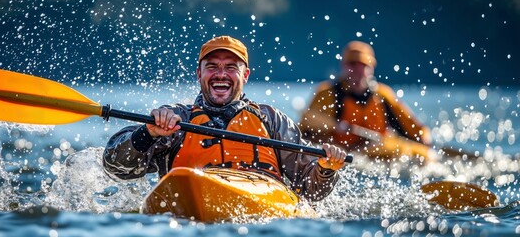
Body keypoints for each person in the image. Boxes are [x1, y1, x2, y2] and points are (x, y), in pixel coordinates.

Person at [102, 36, 348, 201]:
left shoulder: (272, 120)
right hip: (188, 215)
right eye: (212, 66)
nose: (221, 74)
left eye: (231, 67)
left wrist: (326, 169)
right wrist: (147, 133)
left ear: (246, 75)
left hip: (262, 213)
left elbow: (311, 191)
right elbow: (115, 167)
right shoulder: (176, 118)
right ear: (199, 73)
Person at [299, 40, 432, 161]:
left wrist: (424, 140)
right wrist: (335, 127)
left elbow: (415, 130)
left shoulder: (383, 95)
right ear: (343, 66)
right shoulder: (327, 93)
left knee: (423, 156)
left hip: (377, 154)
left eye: (362, 65)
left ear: (371, 68)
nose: (357, 70)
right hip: (341, 155)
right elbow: (304, 131)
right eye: (352, 64)